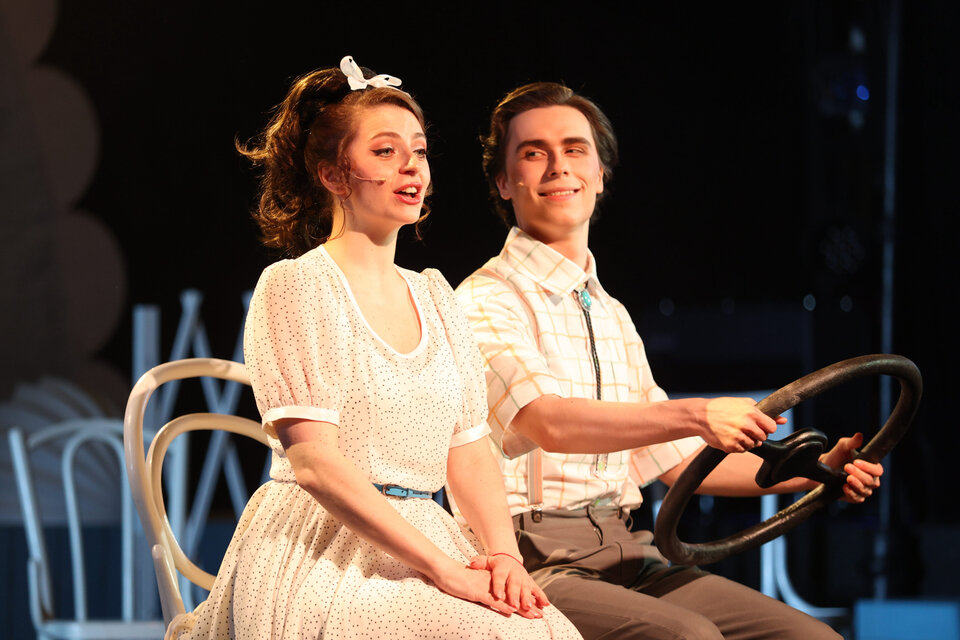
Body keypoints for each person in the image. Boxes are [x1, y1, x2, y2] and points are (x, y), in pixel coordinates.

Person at [165, 59, 582, 639]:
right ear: (333, 175)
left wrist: (504, 556)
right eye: (385, 151)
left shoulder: (435, 296)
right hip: (325, 548)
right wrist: (443, 569)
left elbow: (468, 449)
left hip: (427, 531)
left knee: (549, 631)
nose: (411, 165)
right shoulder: (296, 286)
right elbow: (315, 464)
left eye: (419, 151)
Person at [454, 81, 885, 640]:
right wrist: (696, 414)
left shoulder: (611, 313)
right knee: (688, 637)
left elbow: (679, 465)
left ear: (600, 174)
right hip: (531, 558)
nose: (559, 166)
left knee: (813, 638)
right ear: (502, 181)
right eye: (534, 153)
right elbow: (547, 422)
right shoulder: (485, 299)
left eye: (575, 149)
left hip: (629, 550)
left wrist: (816, 471)